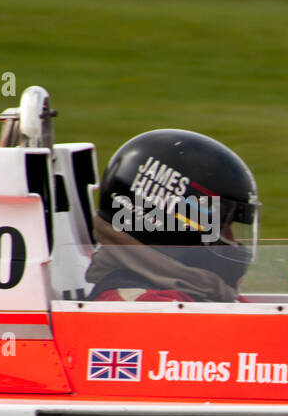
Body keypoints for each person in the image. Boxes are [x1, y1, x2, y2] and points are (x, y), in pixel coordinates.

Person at [86, 129, 259, 302]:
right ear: (170, 224)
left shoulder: (200, 292)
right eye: (221, 228)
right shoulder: (142, 307)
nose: (234, 242)